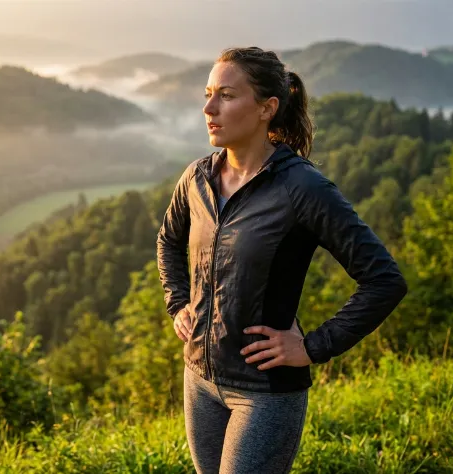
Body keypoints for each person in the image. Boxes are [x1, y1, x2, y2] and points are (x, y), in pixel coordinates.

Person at [155, 46, 408, 474]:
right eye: (208, 93)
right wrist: (178, 303)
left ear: (267, 109)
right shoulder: (197, 178)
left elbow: (384, 279)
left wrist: (313, 346)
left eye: (227, 96)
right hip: (199, 379)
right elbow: (168, 240)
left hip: (264, 392)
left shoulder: (303, 188)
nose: (208, 108)